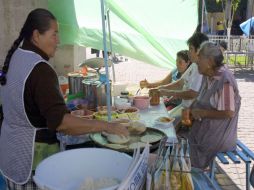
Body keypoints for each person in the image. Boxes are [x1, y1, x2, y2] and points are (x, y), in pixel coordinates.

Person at [0, 8, 128, 189]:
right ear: (37, 36)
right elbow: (63, 123)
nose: (58, 41)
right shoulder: (40, 70)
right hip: (31, 158)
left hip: (10, 151)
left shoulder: (17, 56)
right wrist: (108, 126)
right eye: (54, 35)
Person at [188, 42, 241, 169]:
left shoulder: (224, 80)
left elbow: (229, 112)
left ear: (210, 61)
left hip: (219, 136)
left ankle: (193, 174)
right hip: (205, 129)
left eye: (199, 58)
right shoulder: (208, 75)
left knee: (186, 148)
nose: (196, 61)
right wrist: (190, 110)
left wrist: (202, 113)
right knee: (178, 136)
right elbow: (200, 100)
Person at [158, 33, 209, 124]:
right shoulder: (194, 64)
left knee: (164, 123)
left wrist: (169, 92)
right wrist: (161, 89)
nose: (189, 52)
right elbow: (180, 83)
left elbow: (192, 94)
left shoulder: (201, 69)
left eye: (191, 49)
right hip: (184, 107)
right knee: (162, 117)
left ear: (199, 50)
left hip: (191, 113)